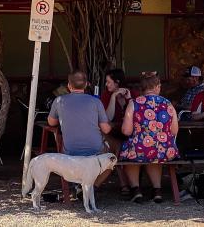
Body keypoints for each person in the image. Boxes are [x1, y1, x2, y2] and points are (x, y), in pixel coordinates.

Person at [119, 73, 179, 204]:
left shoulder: (134, 104)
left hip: (140, 149)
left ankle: (136, 190)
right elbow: (174, 131)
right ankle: (157, 190)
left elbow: (126, 131)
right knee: (154, 154)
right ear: (157, 87)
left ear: (142, 88)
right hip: (165, 150)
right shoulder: (168, 104)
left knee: (129, 153)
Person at [48, 71, 112, 185]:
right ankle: (92, 185)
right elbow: (106, 129)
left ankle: (82, 185)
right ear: (86, 84)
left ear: (69, 86)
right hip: (95, 151)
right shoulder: (95, 101)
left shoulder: (59, 101)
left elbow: (51, 122)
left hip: (71, 151)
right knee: (113, 157)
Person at [100, 68, 137, 197]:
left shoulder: (132, 93)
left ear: (117, 82)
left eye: (109, 82)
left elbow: (137, 116)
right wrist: (113, 97)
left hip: (130, 132)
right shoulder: (106, 95)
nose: (106, 85)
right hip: (113, 133)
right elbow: (107, 118)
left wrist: (129, 99)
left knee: (120, 147)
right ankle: (126, 185)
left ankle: (128, 185)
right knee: (117, 147)